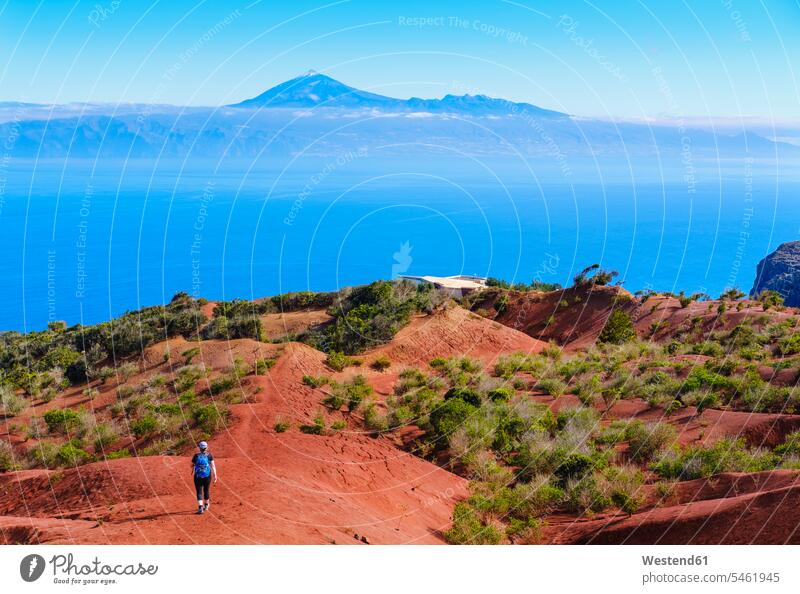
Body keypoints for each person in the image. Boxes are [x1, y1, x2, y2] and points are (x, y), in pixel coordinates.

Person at [191, 441, 218, 514]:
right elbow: (213, 466)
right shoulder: (209, 455)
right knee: (206, 490)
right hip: (207, 476)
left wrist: (193, 470)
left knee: (199, 491)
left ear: (199, 448)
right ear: (206, 447)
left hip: (198, 476)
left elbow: (192, 465)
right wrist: (215, 475)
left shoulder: (196, 456)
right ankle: (206, 505)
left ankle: (200, 507)